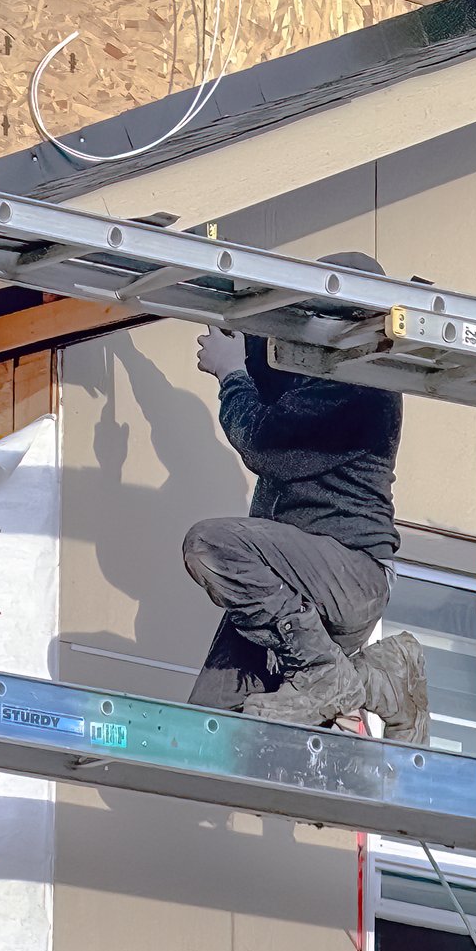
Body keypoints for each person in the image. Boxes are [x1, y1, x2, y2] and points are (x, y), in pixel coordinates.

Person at [182, 250, 429, 739]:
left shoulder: (361, 386)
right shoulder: (316, 376)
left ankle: (324, 677)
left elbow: (265, 443)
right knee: (214, 727)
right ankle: (378, 681)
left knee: (211, 545)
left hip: (348, 575)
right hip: (300, 590)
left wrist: (231, 374)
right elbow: (269, 360)